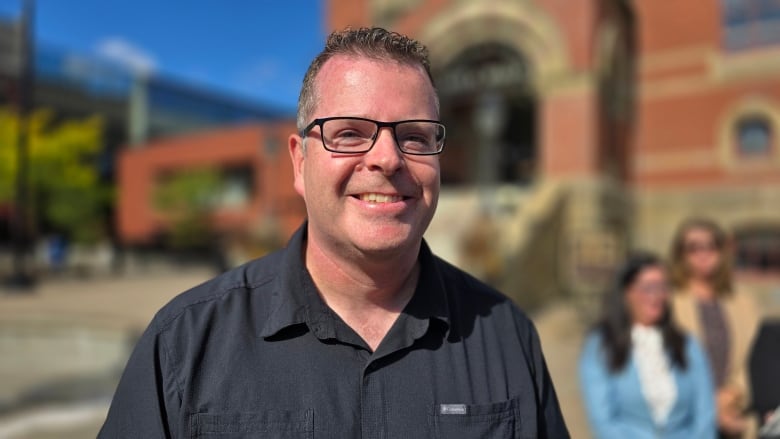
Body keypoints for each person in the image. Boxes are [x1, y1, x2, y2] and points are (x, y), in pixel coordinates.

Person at [99, 27, 569, 438]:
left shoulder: (506, 333)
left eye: (415, 136)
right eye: (348, 133)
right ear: (300, 163)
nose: (388, 158)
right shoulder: (185, 342)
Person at [579, 252, 716, 439]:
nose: (657, 295)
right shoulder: (601, 346)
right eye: (648, 287)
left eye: (662, 287)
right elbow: (604, 421)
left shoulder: (687, 345)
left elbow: (704, 416)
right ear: (626, 293)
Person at [669, 217, 760, 438]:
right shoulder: (668, 302)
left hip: (736, 414)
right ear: (680, 255)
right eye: (693, 247)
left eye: (712, 245)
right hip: (686, 418)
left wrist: (733, 395)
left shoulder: (743, 301)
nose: (703, 253)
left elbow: (756, 356)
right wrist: (709, 405)